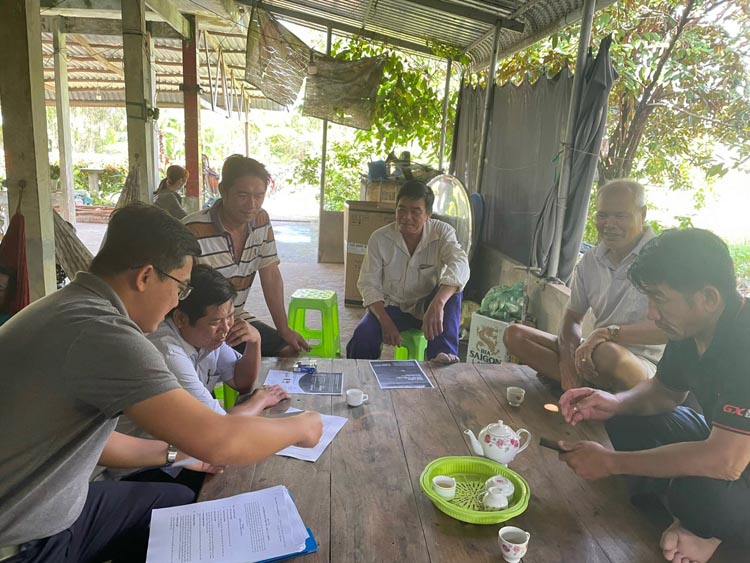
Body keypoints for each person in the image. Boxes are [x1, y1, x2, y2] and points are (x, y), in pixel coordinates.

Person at [0, 203, 322, 563]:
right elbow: (220, 440)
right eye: (180, 288)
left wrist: (178, 454)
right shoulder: (104, 332)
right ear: (145, 277)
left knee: (177, 503)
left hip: (51, 503)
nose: (176, 301)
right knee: (190, 523)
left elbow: (100, 443)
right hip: (22, 538)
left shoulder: (67, 307)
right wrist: (302, 426)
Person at [558, 228, 750, 563]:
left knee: (701, 493)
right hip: (722, 439)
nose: (651, 314)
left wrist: (612, 463)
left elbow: (726, 461)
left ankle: (701, 528)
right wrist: (613, 402)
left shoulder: (744, 341)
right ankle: (687, 517)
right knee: (626, 418)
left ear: (708, 298)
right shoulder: (690, 329)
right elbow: (664, 392)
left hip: (733, 458)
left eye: (659, 299)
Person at [111, 264, 290, 494]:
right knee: (240, 475)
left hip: (181, 452)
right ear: (181, 318)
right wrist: (261, 400)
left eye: (231, 317)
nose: (226, 329)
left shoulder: (206, 336)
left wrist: (254, 342)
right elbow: (220, 427)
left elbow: (241, 382)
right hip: (142, 468)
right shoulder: (168, 353)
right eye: (216, 322)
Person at [504, 179, 667, 391]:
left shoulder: (661, 259)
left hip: (642, 366)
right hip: (594, 352)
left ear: (642, 215)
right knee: (515, 335)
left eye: (620, 216)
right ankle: (580, 384)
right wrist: (568, 363)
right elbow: (572, 319)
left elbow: (669, 331)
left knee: (608, 354)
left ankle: (589, 389)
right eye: (603, 215)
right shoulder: (591, 260)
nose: (610, 224)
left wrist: (607, 333)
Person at [184, 155, 309, 357]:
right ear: (223, 191)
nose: (252, 204)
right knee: (224, 368)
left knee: (288, 350)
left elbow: (270, 275)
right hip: (200, 325)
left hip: (235, 319)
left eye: (259, 196)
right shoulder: (192, 230)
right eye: (242, 195)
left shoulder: (261, 220)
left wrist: (284, 329)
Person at [346, 180, 470, 363]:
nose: (406, 217)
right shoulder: (380, 239)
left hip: (428, 306)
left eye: (415, 211)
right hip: (391, 307)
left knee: (452, 290)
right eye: (401, 210)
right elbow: (368, 284)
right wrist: (385, 321)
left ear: (428, 214)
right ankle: (360, 374)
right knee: (362, 338)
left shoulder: (442, 232)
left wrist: (438, 303)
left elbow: (460, 263)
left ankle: (443, 355)